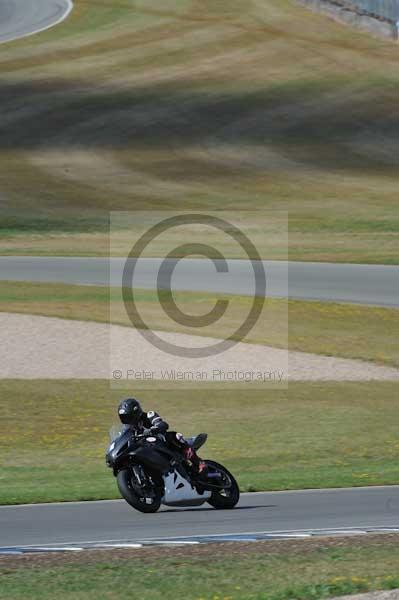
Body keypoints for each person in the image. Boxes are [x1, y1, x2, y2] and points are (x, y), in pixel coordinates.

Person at [117, 398, 207, 477]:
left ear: (136, 412)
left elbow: (163, 424)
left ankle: (198, 462)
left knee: (174, 436)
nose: (127, 420)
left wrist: (153, 429)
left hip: (162, 443)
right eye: (124, 418)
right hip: (148, 450)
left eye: (128, 417)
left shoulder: (149, 415)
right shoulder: (127, 429)